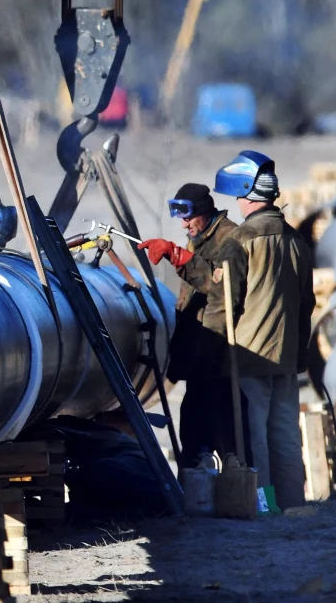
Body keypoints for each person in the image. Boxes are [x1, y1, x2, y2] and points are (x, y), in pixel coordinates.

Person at [141, 151, 314, 510]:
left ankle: (264, 506)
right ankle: (293, 506)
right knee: (285, 435)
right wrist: (298, 355)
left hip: (248, 358)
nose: (236, 202)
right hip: (285, 358)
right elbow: (306, 304)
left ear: (246, 194)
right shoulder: (296, 239)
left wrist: (208, 356)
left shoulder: (240, 239)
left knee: (253, 439)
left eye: (238, 195)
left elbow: (223, 301)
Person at [139, 184, 240, 468]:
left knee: (231, 443)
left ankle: (250, 494)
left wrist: (180, 258)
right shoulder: (199, 240)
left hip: (221, 357)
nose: (184, 224)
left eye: (189, 217)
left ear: (205, 211)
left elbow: (222, 288)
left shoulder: (229, 238)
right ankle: (198, 490)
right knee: (194, 436)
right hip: (201, 358)